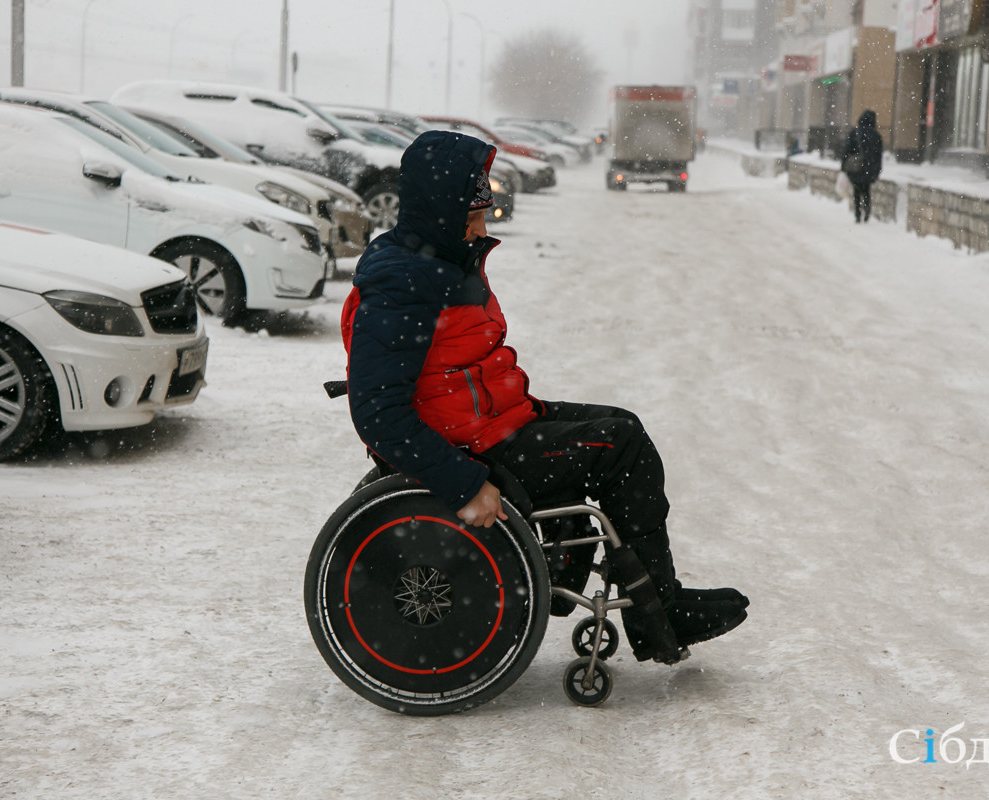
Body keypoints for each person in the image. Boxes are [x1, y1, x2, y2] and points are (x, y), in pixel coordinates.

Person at [341, 130, 748, 665]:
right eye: (471, 220)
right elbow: (378, 414)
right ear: (441, 217)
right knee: (620, 447)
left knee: (622, 423)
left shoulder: (440, 261)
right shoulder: (403, 284)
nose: (482, 230)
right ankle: (659, 615)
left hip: (494, 422)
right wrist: (465, 483)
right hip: (471, 449)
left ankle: (646, 598)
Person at [842, 110, 883, 223]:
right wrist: (877, 169)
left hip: (856, 167)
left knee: (856, 191)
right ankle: (867, 209)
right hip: (869, 168)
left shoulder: (855, 133)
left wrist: (843, 165)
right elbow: (878, 155)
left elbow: (846, 151)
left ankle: (857, 213)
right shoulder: (876, 135)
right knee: (866, 190)